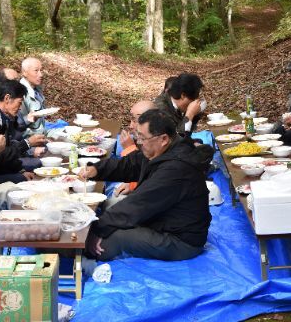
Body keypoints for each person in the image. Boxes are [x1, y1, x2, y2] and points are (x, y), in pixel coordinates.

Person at [83, 110, 211, 262]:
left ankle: (82, 260)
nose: (138, 142)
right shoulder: (159, 150)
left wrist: (96, 231)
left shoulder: (176, 169)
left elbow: (138, 204)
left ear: (163, 139)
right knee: (111, 210)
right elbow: (129, 164)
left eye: (142, 138)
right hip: (160, 221)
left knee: (111, 238)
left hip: (180, 240)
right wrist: (96, 169)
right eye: (137, 136)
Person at [111, 100, 156, 201]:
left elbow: (153, 177)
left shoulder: (158, 142)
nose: (131, 126)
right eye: (131, 120)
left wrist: (129, 149)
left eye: (135, 121)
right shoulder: (147, 138)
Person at [19, 57, 47, 139]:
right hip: (30, 139)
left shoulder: (37, 89)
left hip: (42, 132)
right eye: (36, 71)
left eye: (41, 70)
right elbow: (18, 125)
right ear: (24, 73)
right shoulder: (20, 92)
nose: (41, 74)